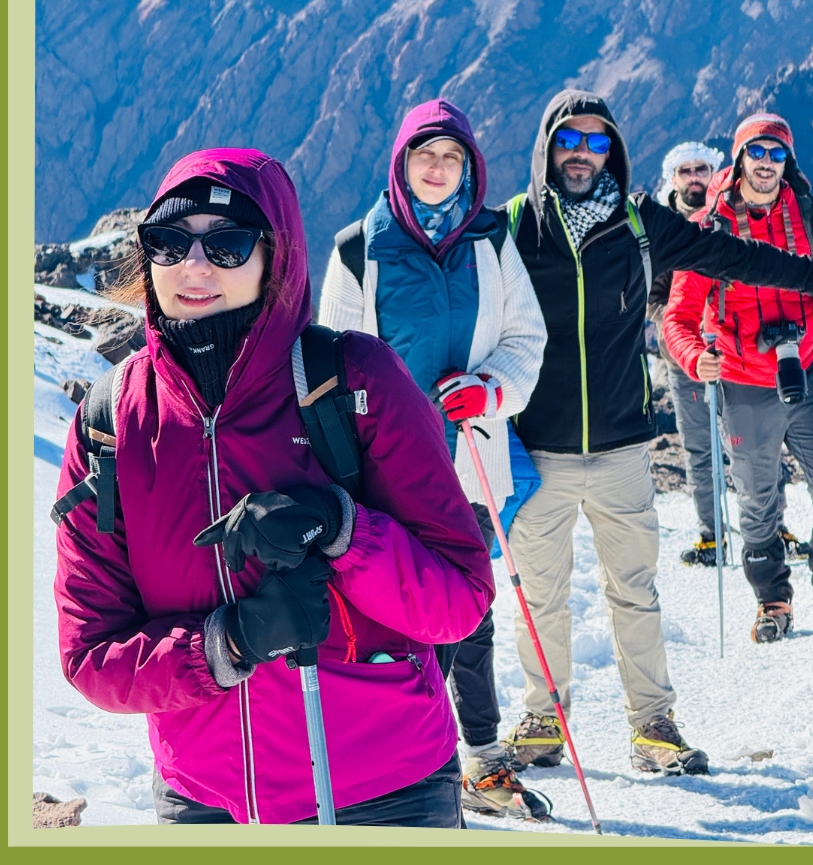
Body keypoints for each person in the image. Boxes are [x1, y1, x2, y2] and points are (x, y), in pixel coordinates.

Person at [54, 150, 494, 825]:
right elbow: (91, 654)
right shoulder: (113, 422)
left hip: (386, 795)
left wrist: (341, 527)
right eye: (170, 242)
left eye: (226, 245)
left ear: (275, 255)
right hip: (204, 804)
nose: (194, 266)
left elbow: (459, 597)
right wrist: (230, 642)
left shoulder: (351, 380)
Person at [501, 91, 813, 774]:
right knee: (540, 594)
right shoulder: (513, 228)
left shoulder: (641, 224)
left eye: (597, 142)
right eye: (569, 141)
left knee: (633, 591)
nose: (582, 154)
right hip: (537, 446)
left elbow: (742, 259)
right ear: (547, 148)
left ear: (613, 150)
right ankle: (541, 722)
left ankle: (652, 726)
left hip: (620, 444)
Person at [318, 99, 549, 820]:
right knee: (391, 614)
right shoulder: (360, 247)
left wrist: (489, 390)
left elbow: (525, 341)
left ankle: (477, 758)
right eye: (425, 155)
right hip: (386, 468)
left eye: (451, 157)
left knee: (468, 609)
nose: (438, 168)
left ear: (471, 168)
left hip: (471, 462)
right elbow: (329, 365)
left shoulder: (492, 241)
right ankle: (401, 758)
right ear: (401, 164)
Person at [664, 112, 813, 643]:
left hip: (805, 369)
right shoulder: (709, 230)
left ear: (787, 161)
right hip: (741, 379)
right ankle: (772, 600)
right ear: (739, 158)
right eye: (757, 152)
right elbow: (678, 317)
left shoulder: (806, 214)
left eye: (776, 155)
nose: (766, 164)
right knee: (758, 499)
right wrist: (693, 358)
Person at [647, 142, 803, 569]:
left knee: (763, 441)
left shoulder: (728, 220)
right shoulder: (661, 231)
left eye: (702, 169)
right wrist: (685, 330)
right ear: (672, 179)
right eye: (685, 171)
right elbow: (653, 296)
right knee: (701, 447)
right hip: (687, 358)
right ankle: (712, 536)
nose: (695, 177)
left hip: (743, 351)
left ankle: (774, 527)